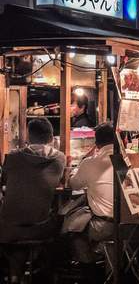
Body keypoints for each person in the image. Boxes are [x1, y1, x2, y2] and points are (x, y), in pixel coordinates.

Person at [0, 118, 65, 282]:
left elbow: (4, 180)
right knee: (57, 220)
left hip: (8, 229)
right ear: (51, 138)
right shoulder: (59, 159)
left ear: (28, 137)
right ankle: (44, 274)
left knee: (18, 223)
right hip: (41, 228)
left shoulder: (13, 157)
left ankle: (15, 275)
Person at [68, 123, 115, 262]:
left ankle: (89, 266)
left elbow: (73, 184)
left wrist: (75, 170)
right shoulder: (131, 157)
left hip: (106, 226)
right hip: (133, 225)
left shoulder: (90, 162)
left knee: (73, 228)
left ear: (97, 143)